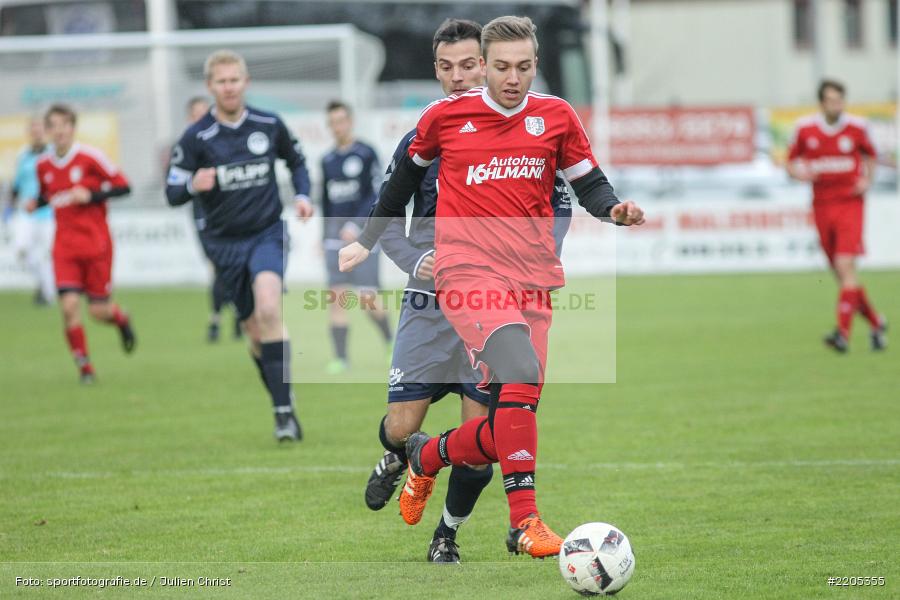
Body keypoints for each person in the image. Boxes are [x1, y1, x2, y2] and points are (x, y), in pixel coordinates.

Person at [342, 16, 644, 558]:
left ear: (535, 63)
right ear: (487, 64)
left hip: (532, 281)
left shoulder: (556, 116)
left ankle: (428, 457)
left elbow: (588, 183)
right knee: (518, 375)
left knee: (513, 416)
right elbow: (398, 188)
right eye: (503, 66)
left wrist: (613, 209)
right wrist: (367, 242)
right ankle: (525, 521)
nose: (513, 77)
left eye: (524, 66)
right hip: (466, 274)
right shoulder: (444, 118)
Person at [362, 18, 572, 564]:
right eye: (446, 68)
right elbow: (385, 220)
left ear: (485, 63)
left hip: (497, 296)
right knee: (401, 424)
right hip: (433, 304)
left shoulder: (529, 125)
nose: (458, 77)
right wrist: (417, 260)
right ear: (436, 71)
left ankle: (446, 536)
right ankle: (400, 454)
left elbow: (562, 203)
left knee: (485, 438)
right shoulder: (426, 135)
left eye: (469, 66)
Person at [165, 50, 314, 441]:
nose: (229, 87)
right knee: (252, 330)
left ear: (246, 82)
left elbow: (297, 162)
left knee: (269, 307)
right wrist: (192, 185)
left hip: (267, 232)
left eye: (235, 80)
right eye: (221, 81)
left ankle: (283, 415)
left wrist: (302, 195)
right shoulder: (196, 137)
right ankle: (283, 400)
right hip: (224, 244)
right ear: (210, 87)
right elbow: (171, 190)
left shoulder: (268, 123)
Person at [29, 104, 136, 384]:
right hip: (64, 247)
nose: (60, 131)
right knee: (68, 306)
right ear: (48, 131)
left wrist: (91, 194)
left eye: (65, 125)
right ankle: (85, 367)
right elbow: (48, 195)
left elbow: (125, 186)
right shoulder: (43, 165)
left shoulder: (90, 157)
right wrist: (34, 203)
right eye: (54, 126)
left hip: (96, 244)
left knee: (99, 311)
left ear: (73, 128)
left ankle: (122, 320)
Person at [787, 79, 886, 353]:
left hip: (850, 205)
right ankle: (877, 323)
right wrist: (800, 173)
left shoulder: (856, 127)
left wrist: (868, 180)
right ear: (821, 103)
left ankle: (842, 334)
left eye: (840, 100)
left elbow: (871, 156)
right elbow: (791, 163)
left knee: (845, 267)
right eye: (831, 100)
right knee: (843, 277)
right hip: (821, 206)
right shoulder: (805, 129)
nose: (837, 105)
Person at [320, 101, 392, 374]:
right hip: (334, 239)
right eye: (333, 122)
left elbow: (375, 195)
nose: (338, 126)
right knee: (336, 298)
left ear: (350, 121)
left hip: (363, 236)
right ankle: (340, 358)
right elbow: (326, 201)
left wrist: (355, 224)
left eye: (341, 120)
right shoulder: (327, 160)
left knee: (366, 299)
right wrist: (322, 234)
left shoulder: (365, 153)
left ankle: (389, 341)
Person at [184, 96, 242, 343]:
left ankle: (225, 318)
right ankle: (222, 316)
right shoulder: (187, 145)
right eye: (195, 114)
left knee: (231, 267)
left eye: (203, 113)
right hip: (202, 216)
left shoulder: (221, 141)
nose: (201, 118)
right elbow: (176, 185)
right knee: (218, 268)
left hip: (229, 214)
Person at [10, 115, 55, 306]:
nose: (37, 132)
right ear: (29, 132)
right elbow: (17, 184)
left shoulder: (52, 153)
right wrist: (10, 207)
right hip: (26, 212)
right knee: (21, 249)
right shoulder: (23, 155)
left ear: (45, 131)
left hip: (48, 213)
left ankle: (48, 294)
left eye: (40, 129)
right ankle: (43, 284)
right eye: (33, 129)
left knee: (48, 254)